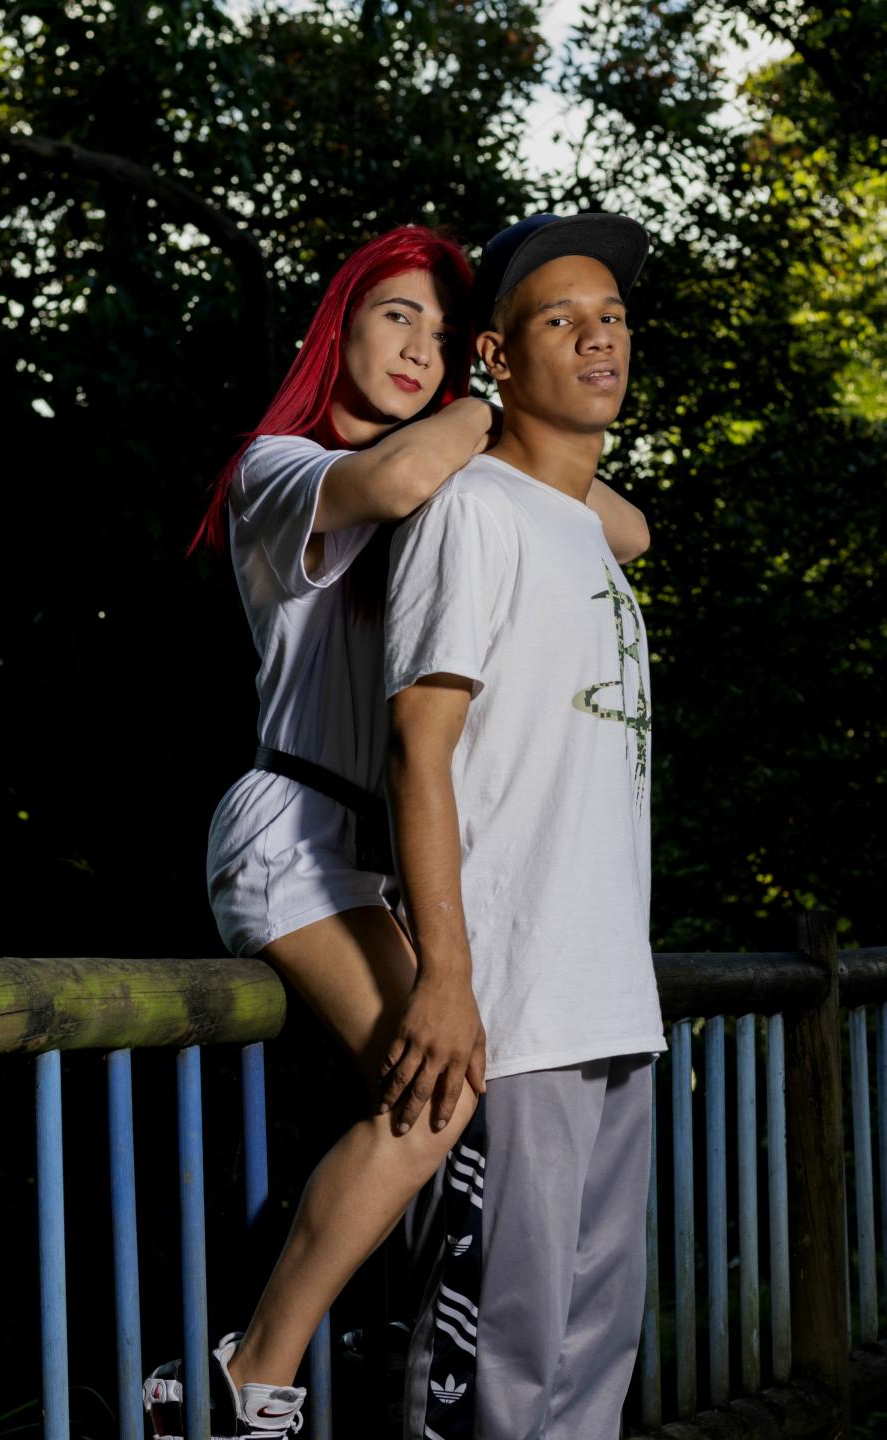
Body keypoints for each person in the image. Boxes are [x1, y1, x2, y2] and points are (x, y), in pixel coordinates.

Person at [143, 223, 651, 1440]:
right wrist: (490, 400)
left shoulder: (454, 487)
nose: (421, 349)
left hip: (370, 859)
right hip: (293, 829)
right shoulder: (285, 469)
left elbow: (621, 528)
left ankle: (283, 1353)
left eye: (441, 329)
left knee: (436, 1107)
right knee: (440, 1100)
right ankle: (250, 1378)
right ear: (340, 329)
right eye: (397, 318)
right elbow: (399, 476)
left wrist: (521, 423)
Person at [383, 213, 666, 1440]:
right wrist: (448, 976)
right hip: (513, 1017)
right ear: (497, 354)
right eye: (563, 318)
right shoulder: (475, 513)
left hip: (613, 1005)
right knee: (493, 1371)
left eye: (613, 316)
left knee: (590, 1365)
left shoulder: (590, 535)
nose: (599, 337)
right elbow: (418, 749)